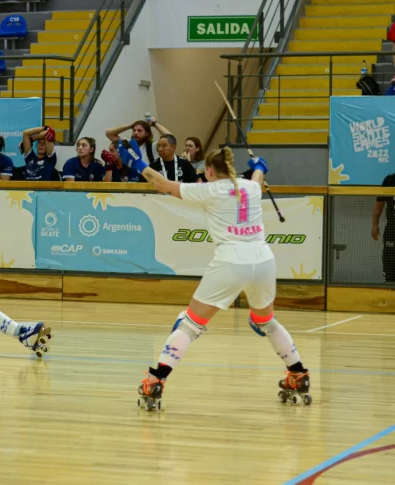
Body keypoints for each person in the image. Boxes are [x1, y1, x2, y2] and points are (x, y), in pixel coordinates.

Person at [116, 139, 311, 410]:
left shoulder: (208, 190)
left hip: (231, 260)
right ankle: (298, 373)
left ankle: (156, 380)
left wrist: (136, 163)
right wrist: (260, 166)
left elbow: (162, 184)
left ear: (209, 170)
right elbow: (256, 177)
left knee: (190, 323)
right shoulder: (251, 187)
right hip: (263, 260)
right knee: (265, 320)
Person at [105, 117, 171, 165]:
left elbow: (170, 138)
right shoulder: (127, 144)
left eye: (139, 130)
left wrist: (155, 124)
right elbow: (109, 133)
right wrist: (130, 125)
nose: (136, 133)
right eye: (134, 130)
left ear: (147, 134)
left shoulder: (153, 146)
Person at [371, 172, 395, 282]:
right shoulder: (390, 180)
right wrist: (375, 225)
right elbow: (379, 204)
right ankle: (389, 288)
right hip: (392, 228)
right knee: (389, 261)